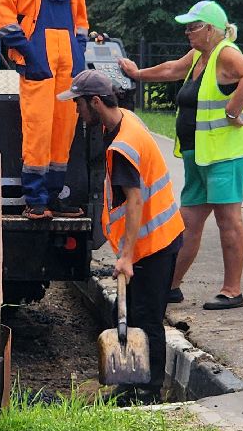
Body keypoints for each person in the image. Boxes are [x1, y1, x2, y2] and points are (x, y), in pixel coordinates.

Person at [118, 0, 243, 311]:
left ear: (210, 29)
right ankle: (170, 286)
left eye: (193, 27)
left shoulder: (225, 53)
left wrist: (233, 109)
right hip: (200, 155)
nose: (187, 32)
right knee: (187, 223)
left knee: (228, 220)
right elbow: (172, 68)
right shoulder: (200, 55)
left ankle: (232, 291)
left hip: (226, 155)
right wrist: (137, 73)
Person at [60, 69, 184, 400]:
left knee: (148, 319)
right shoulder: (123, 121)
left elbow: (135, 201)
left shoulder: (123, 146)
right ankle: (131, 383)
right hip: (153, 240)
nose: (76, 111)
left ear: (95, 102)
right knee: (132, 315)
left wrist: (127, 256)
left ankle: (149, 390)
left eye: (78, 104)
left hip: (155, 244)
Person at [0, 0, 93, 219]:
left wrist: (79, 53)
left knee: (64, 129)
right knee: (38, 128)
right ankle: (35, 200)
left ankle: (54, 197)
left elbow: (81, 20)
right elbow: (3, 16)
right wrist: (28, 52)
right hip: (38, 57)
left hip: (68, 60)